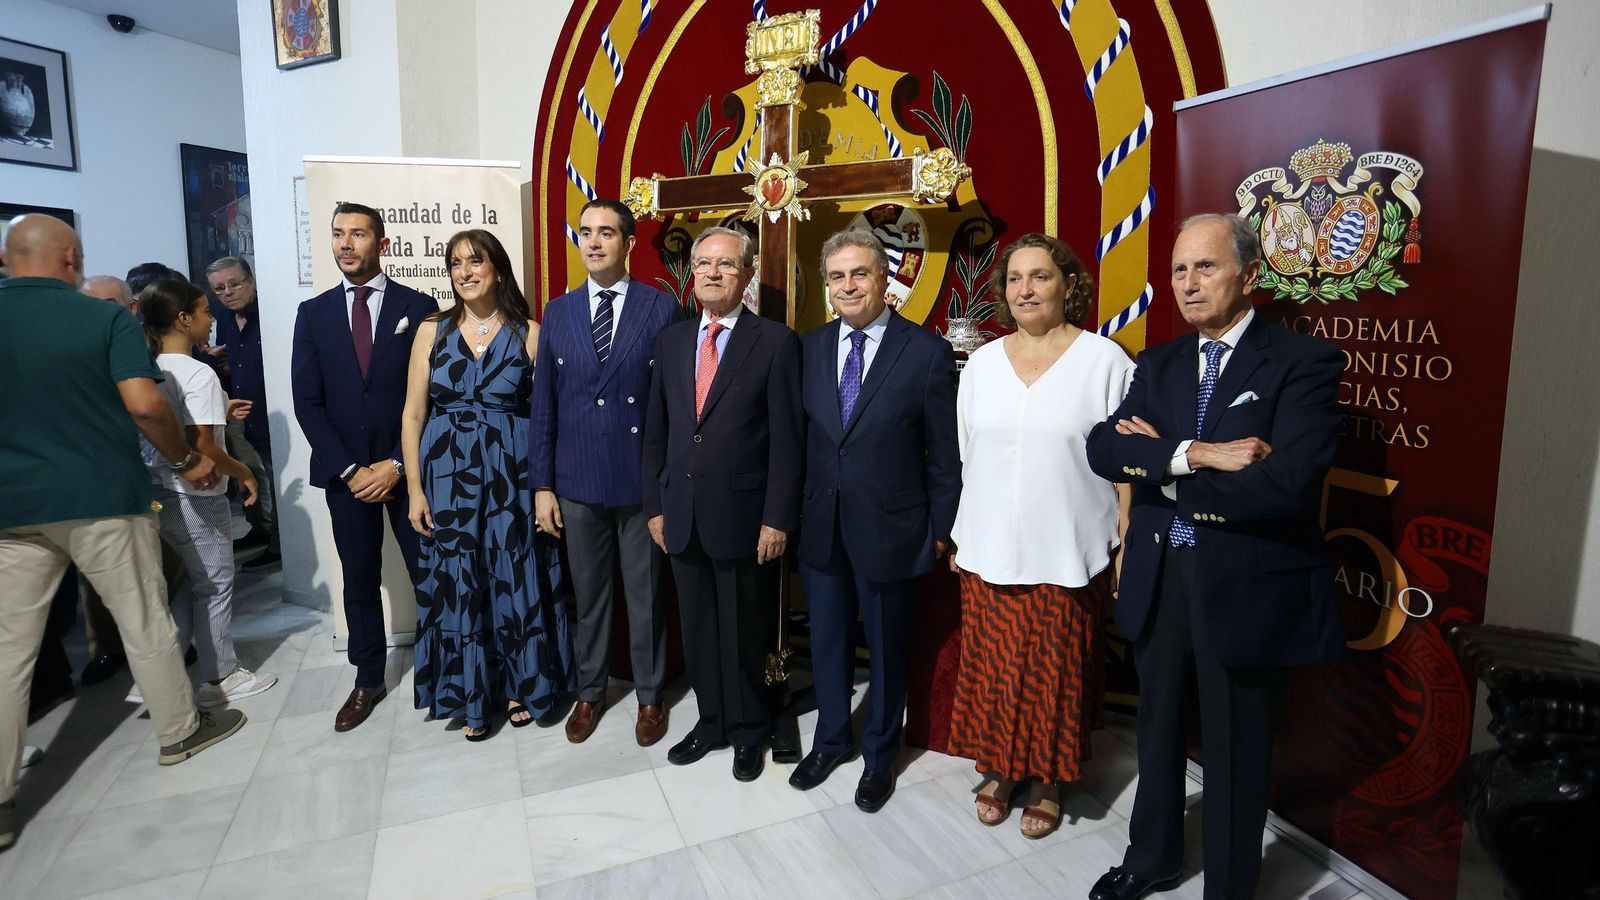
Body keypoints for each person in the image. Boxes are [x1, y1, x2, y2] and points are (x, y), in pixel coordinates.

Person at [1084, 214, 1345, 900]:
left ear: (1250, 276)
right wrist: (1199, 455)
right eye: (1178, 270)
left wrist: (1163, 471)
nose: (1188, 284)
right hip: (1159, 573)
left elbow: (1286, 484)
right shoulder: (1160, 361)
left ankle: (1229, 887)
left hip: (1245, 582)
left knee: (1235, 748)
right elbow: (1105, 449)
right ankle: (1152, 858)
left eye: (1205, 267)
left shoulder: (1303, 363)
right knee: (1158, 727)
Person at [0, 215, 244, 852]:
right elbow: (143, 402)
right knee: (144, 619)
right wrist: (185, 458)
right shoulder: (102, 319)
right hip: (102, 496)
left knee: (6, 653)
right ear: (71, 258)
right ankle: (179, 731)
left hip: (11, 506)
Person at [946, 233, 1134, 839]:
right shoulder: (980, 364)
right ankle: (1000, 769)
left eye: (1041, 276)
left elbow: (1128, 464)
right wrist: (957, 535)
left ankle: (1049, 779)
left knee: (1053, 673)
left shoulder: (1105, 362)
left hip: (1069, 550)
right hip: (987, 548)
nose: (1026, 289)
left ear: (1068, 285)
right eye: (1015, 279)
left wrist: (1125, 540)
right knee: (996, 667)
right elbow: (965, 453)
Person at [788, 230, 960, 812]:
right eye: (837, 277)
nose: (848, 286)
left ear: (886, 279)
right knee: (829, 641)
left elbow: (944, 455)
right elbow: (801, 443)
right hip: (822, 526)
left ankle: (881, 754)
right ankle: (832, 739)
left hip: (894, 529)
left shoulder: (926, 352)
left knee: (887, 649)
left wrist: (940, 531)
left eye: (859, 273)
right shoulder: (807, 349)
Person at [642, 226, 802, 782]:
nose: (713, 272)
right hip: (681, 515)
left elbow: (787, 441)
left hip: (744, 518)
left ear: (747, 273)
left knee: (743, 632)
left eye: (726, 265)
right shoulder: (672, 341)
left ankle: (750, 728)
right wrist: (655, 509)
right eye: (704, 263)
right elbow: (656, 435)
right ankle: (711, 722)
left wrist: (777, 517)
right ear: (691, 272)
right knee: (700, 631)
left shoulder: (776, 342)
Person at [401, 229, 573, 740]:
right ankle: (467, 691)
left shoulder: (530, 333)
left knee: (511, 574)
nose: (465, 272)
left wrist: (545, 487)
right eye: (455, 264)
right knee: (460, 580)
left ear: (497, 268)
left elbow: (547, 420)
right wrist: (414, 487)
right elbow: (413, 415)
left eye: (475, 261)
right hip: (447, 476)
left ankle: (521, 684)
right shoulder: (432, 330)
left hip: (511, 476)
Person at [531, 199, 679, 747]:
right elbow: (543, 405)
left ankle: (649, 696)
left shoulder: (660, 309)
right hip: (577, 483)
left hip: (640, 483)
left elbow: (671, 404)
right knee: (589, 598)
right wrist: (543, 485)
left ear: (629, 243)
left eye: (606, 233)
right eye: (585, 233)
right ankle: (589, 692)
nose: (593, 243)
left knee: (645, 596)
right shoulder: (559, 312)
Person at [291, 202, 438, 732]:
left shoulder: (418, 307)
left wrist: (399, 464)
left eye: (358, 233)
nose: (346, 243)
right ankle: (367, 678)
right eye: (338, 234)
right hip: (346, 478)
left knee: (430, 571)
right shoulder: (314, 314)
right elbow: (307, 402)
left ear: (383, 243)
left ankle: (442, 671)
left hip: (410, 472)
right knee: (358, 579)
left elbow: (432, 397)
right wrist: (352, 470)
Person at [140, 277, 279, 708]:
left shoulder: (146, 368)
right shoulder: (197, 371)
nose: (212, 317)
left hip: (159, 491)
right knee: (216, 585)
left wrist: (220, 407)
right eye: (203, 311)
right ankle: (220, 676)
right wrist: (246, 472)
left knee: (191, 584)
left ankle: (157, 677)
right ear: (183, 319)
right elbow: (203, 446)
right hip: (195, 494)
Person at [207, 256, 281, 568]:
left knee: (278, 481)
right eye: (219, 288)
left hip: (274, 412)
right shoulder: (224, 319)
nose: (227, 292)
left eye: (234, 284)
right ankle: (260, 530)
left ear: (250, 281)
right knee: (252, 478)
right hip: (239, 414)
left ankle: (280, 543)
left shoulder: (271, 314)